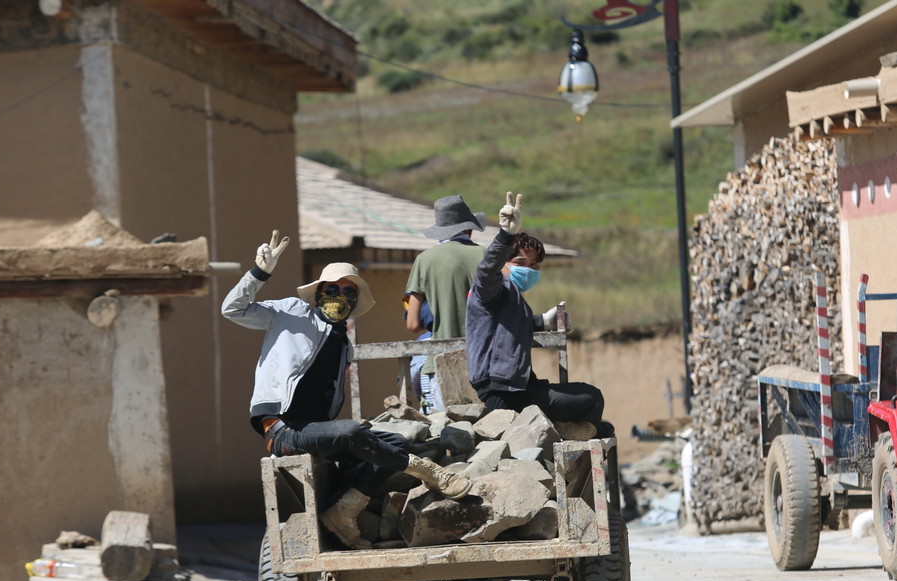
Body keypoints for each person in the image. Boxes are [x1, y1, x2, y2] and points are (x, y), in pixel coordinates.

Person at [221, 231, 471, 549]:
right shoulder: (289, 313)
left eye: (347, 291)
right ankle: (429, 472)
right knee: (353, 431)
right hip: (283, 430)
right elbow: (232, 309)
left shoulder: (343, 344)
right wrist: (259, 273)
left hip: (316, 430)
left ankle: (344, 509)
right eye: (332, 289)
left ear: (354, 301)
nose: (339, 295)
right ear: (319, 293)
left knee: (392, 440)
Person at [465, 192, 610, 439]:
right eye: (522, 262)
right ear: (505, 262)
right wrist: (505, 235)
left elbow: (508, 326)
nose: (530, 269)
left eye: (534, 265)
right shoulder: (489, 288)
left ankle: (570, 431)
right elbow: (486, 270)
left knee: (594, 405)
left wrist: (544, 321)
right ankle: (564, 433)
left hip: (522, 386)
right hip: (501, 390)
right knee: (591, 400)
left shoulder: (512, 295)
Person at [403, 194, 487, 411]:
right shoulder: (483, 255)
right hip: (483, 362)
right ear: (469, 229)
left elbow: (412, 325)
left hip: (440, 363)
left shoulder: (424, 260)